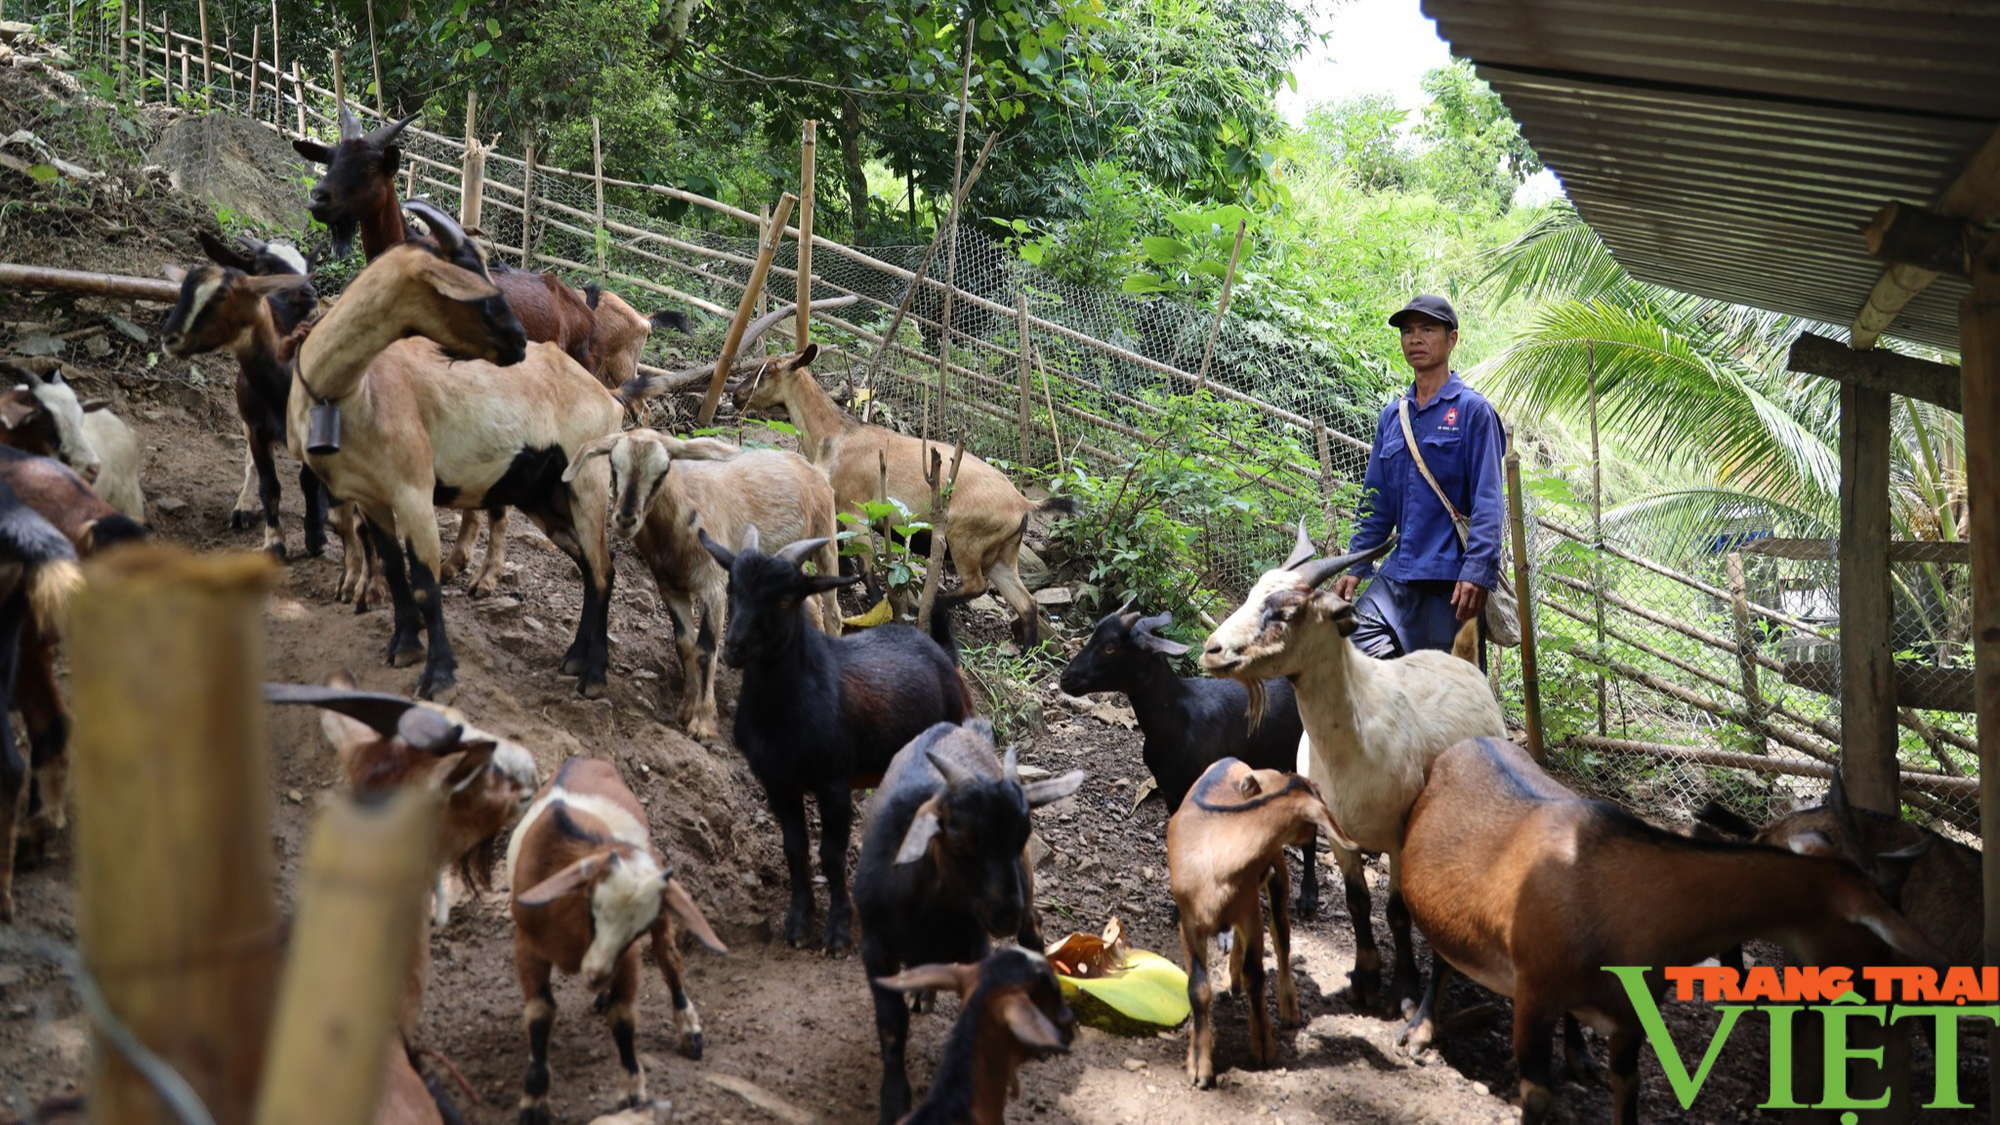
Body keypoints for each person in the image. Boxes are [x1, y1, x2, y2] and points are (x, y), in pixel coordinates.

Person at [1332, 294, 1505, 659]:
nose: (1415, 339)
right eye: (1408, 331)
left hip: (1449, 583)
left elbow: (1489, 502)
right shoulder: (1393, 418)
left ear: (1452, 339)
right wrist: (1356, 564)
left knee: (1444, 694)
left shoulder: (1474, 412)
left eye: (1427, 329)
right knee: (1351, 645)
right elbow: (1375, 503)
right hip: (1398, 575)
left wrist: (1477, 571)